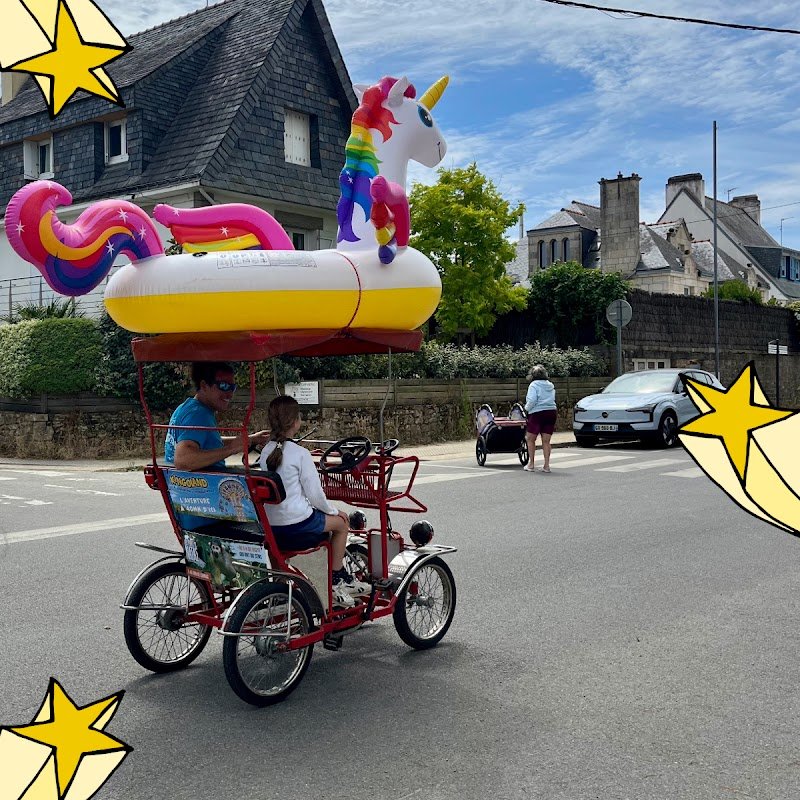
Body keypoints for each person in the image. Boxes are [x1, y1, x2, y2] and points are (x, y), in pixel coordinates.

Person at [258, 395, 370, 608]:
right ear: (295, 422)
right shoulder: (300, 454)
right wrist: (335, 511)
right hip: (297, 527)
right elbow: (316, 496)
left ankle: (280, 583)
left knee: (326, 520)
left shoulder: (265, 452)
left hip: (272, 530)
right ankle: (337, 578)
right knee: (342, 523)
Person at [164, 361, 268, 471]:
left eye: (232, 387)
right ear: (204, 385)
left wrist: (252, 439)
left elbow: (209, 442)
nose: (230, 393)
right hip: (204, 484)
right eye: (223, 386)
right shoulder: (199, 414)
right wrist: (231, 449)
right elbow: (183, 460)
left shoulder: (186, 408)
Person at [523, 364, 557, 473]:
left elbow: (532, 400)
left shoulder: (533, 385)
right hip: (551, 412)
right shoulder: (550, 385)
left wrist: (526, 409)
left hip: (537, 413)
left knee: (530, 439)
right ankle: (546, 466)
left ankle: (531, 464)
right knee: (546, 441)